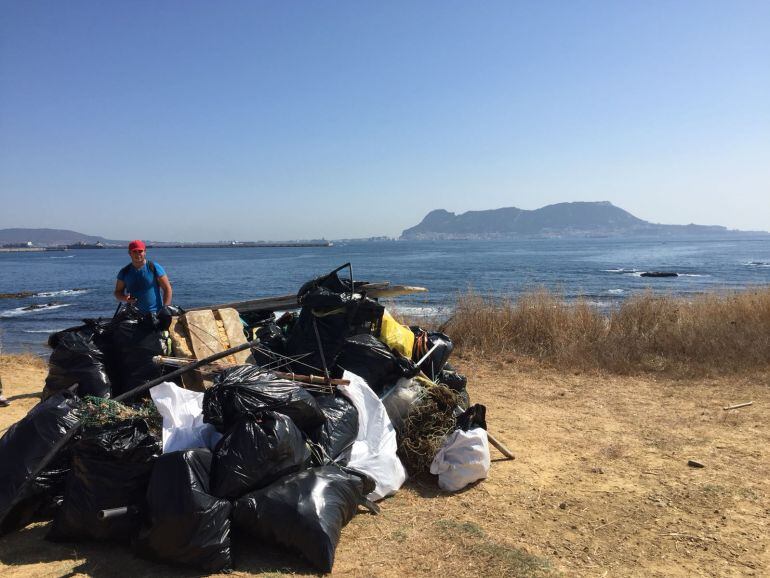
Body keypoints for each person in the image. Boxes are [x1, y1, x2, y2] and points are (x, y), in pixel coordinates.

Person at [114, 240, 172, 314]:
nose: (138, 254)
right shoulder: (124, 272)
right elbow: (117, 292)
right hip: (133, 315)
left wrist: (165, 309)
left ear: (145, 252)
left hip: (154, 314)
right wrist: (125, 298)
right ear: (129, 253)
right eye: (134, 251)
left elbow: (167, 289)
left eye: (140, 251)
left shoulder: (154, 268)